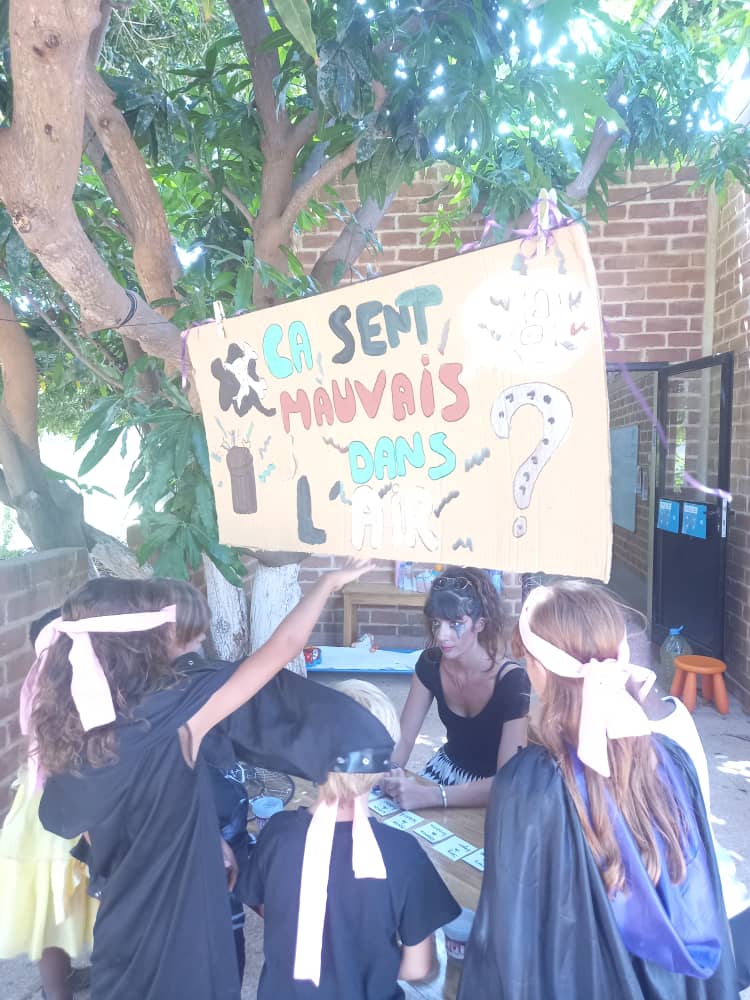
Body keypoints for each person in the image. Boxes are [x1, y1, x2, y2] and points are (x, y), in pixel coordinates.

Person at [34, 561, 372, 1000]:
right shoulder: (178, 716)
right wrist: (326, 583)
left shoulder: (74, 732)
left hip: (123, 927)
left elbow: (105, 833)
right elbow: (281, 650)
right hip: (185, 921)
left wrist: (204, 837)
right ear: (141, 645)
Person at [458, 581, 738, 1000]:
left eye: (528, 660)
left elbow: (513, 936)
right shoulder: (673, 763)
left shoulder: (531, 786)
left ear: (540, 670)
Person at [241, 680, 461, 1000]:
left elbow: (265, 905)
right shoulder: (403, 854)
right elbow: (417, 968)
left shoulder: (276, 833)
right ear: (383, 762)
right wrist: (368, 964)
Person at [0, 609, 98, 1000]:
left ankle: (56, 990)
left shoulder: (38, 690)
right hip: (80, 810)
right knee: (93, 902)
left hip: (38, 813)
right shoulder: (89, 688)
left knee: (49, 911)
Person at [383, 567, 529, 809]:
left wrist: (429, 796)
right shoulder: (430, 663)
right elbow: (405, 739)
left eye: (455, 623)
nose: (442, 635)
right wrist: (389, 771)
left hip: (491, 793)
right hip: (444, 773)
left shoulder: (512, 681)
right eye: (436, 622)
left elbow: (507, 782)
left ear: (480, 624)